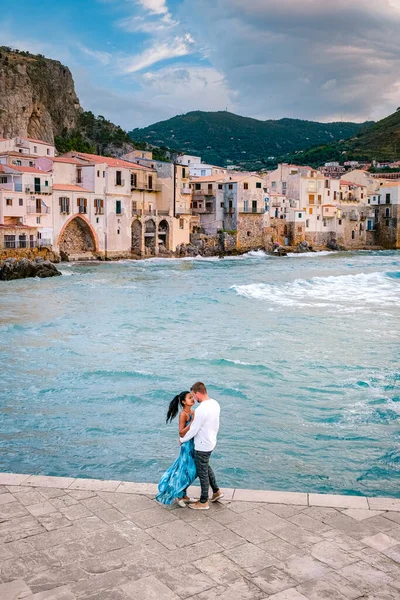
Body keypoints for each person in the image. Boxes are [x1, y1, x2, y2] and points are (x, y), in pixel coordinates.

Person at [180, 381, 223, 510]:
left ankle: (204, 501)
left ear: (198, 393)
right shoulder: (215, 404)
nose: (194, 398)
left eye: (194, 395)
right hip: (211, 442)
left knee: (202, 472)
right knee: (206, 467)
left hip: (202, 445)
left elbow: (193, 430)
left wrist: (182, 440)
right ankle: (216, 492)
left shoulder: (201, 409)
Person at [156, 391, 197, 507]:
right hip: (186, 446)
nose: (192, 399)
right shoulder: (183, 414)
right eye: (189, 398)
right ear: (184, 402)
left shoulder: (193, 412)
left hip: (193, 444)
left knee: (191, 471)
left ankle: (184, 495)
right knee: (184, 470)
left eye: (192, 397)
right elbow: (181, 433)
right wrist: (192, 423)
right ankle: (179, 496)